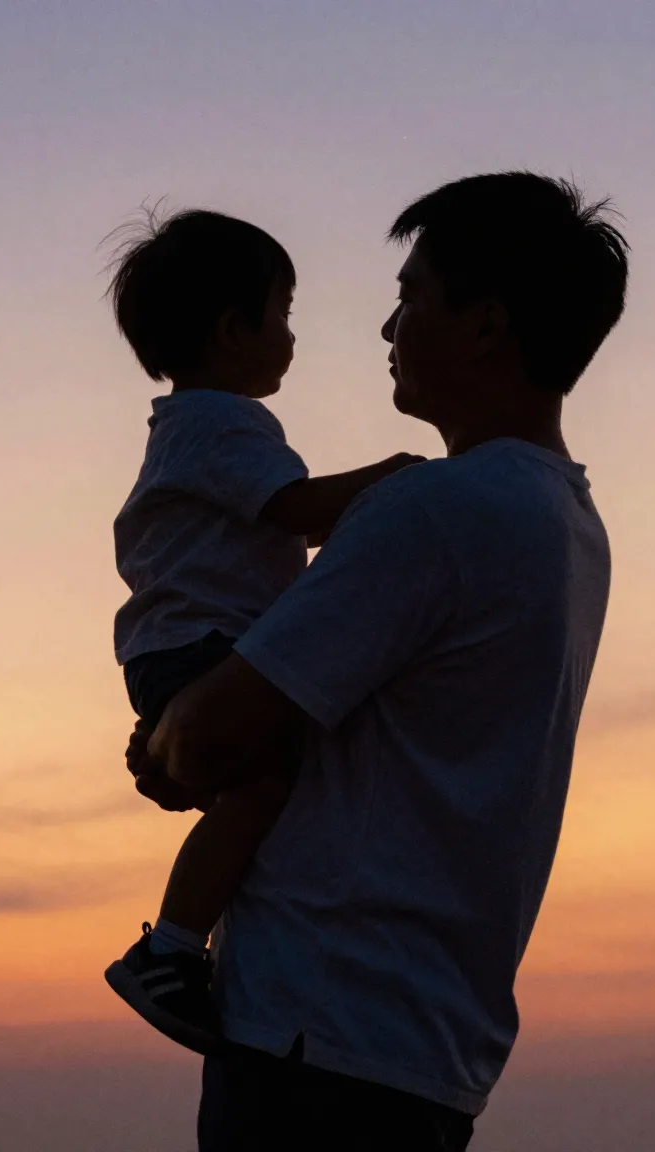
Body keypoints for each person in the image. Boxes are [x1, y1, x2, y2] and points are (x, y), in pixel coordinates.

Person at [133, 172, 629, 1151]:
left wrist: (169, 740)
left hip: (317, 1037)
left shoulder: (435, 511)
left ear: (484, 325)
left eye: (408, 298)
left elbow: (206, 736)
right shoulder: (566, 523)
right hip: (424, 1043)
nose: (386, 328)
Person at [100, 208, 424, 1053]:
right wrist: (394, 482)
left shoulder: (192, 427)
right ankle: (170, 946)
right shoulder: (223, 423)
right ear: (233, 329)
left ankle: (182, 942)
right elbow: (296, 508)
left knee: (264, 788)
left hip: (184, 649)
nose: (290, 336)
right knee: (264, 785)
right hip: (204, 645)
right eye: (282, 315)